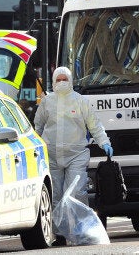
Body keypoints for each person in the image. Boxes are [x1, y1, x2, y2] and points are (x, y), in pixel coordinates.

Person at [33, 66, 113, 246]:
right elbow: (38, 126)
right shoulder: (47, 102)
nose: (61, 83)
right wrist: (36, 147)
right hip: (51, 154)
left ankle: (81, 231)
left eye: (65, 79)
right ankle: (59, 233)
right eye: (58, 79)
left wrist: (104, 142)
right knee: (56, 195)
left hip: (76, 154)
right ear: (53, 81)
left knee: (77, 192)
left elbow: (94, 124)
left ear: (70, 80)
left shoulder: (80, 101)